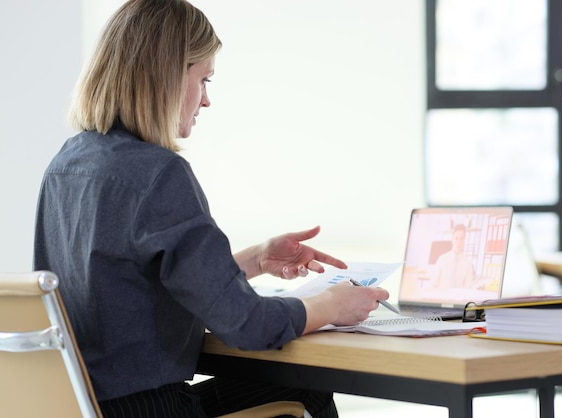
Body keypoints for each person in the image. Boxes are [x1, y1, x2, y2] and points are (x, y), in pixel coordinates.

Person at [33, 1, 390, 417]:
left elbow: (126, 289)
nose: (206, 101)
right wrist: (331, 304)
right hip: (157, 409)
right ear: (165, 75)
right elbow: (248, 325)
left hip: (85, 406)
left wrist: (254, 260)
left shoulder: (66, 165)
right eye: (203, 79)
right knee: (308, 388)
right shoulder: (159, 174)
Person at [432, 224, 476, 288]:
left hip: (459, 297)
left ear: (464, 240)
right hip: (442, 296)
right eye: (456, 238)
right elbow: (434, 284)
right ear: (452, 239)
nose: (459, 242)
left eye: (461, 238)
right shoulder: (442, 259)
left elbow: (468, 288)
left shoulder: (468, 263)